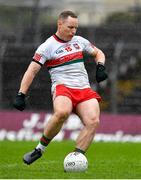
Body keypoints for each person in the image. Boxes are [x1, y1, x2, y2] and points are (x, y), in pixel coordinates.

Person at [13, 10, 108, 165]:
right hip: (63, 87)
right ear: (60, 24)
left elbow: (99, 53)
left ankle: (75, 159)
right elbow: (32, 71)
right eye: (70, 27)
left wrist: (100, 66)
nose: (73, 31)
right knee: (62, 112)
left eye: (76, 28)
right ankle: (39, 150)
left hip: (83, 88)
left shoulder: (79, 41)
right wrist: (21, 94)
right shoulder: (47, 47)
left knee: (93, 121)